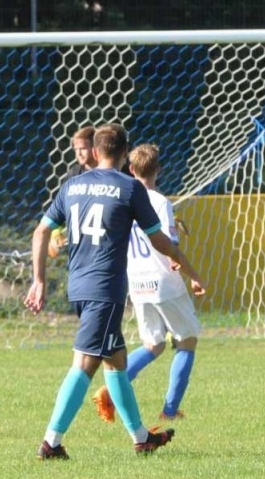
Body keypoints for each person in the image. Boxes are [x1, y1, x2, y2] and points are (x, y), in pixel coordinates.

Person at [25, 124, 205, 459]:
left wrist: (38, 280)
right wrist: (179, 256)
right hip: (105, 288)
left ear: (94, 152)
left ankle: (141, 438)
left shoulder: (71, 186)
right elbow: (157, 238)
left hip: (78, 285)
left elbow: (41, 232)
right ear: (125, 156)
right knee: (84, 365)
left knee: (117, 362)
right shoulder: (129, 188)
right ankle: (51, 442)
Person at [91, 144, 205, 425]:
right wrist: (193, 275)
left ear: (130, 169)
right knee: (186, 341)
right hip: (164, 281)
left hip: (137, 281)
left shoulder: (123, 198)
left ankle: (110, 389)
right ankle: (169, 410)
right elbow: (170, 245)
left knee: (153, 345)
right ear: (159, 170)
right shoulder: (158, 201)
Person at [48, 126, 98, 258]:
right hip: (80, 248)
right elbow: (60, 207)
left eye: (83, 148)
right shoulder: (73, 175)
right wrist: (56, 232)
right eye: (76, 149)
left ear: (95, 148)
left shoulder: (109, 173)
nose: (79, 153)